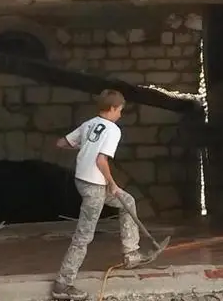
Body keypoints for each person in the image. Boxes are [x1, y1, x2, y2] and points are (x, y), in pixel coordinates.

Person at [51, 89, 149, 300]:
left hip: (83, 181)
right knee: (84, 236)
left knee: (127, 202)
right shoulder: (113, 130)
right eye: (120, 110)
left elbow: (61, 143)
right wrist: (112, 184)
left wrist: (85, 147)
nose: (120, 115)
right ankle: (63, 283)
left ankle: (131, 253)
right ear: (113, 108)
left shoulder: (89, 124)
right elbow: (101, 161)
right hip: (95, 185)